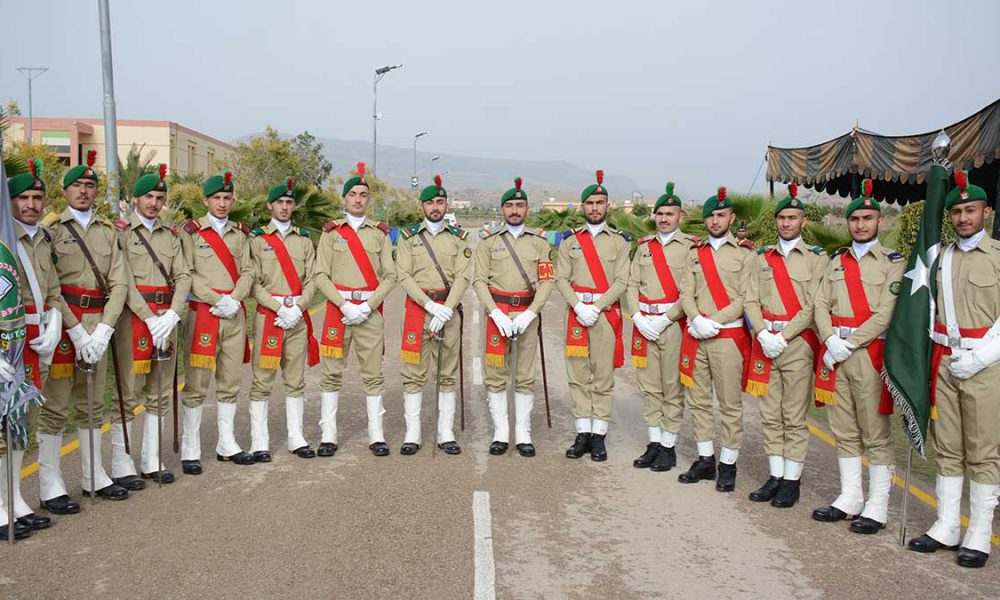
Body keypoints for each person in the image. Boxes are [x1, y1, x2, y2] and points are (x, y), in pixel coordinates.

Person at [907, 171, 999, 568]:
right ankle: (946, 524)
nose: (963, 217)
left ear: (986, 212)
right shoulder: (939, 257)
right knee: (948, 448)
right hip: (944, 361)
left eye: (971, 210)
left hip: (985, 362)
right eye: (957, 211)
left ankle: (978, 533)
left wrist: (981, 357)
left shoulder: (997, 257)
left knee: (983, 452)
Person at [811, 178, 904, 535]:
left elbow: (886, 312)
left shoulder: (893, 262)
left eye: (867, 218)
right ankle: (850, 496)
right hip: (835, 351)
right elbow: (820, 303)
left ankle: (877, 506)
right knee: (844, 429)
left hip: (868, 353)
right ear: (847, 223)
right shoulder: (836, 260)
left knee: (875, 432)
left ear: (879, 221)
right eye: (855, 219)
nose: (860, 225)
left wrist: (849, 343)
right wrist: (831, 340)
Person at [41, 150, 130, 506]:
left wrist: (104, 329)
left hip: (98, 324)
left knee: (93, 403)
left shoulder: (108, 232)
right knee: (56, 404)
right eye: (76, 185)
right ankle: (50, 484)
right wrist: (76, 331)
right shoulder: (51, 231)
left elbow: (119, 282)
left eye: (90, 186)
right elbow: (50, 286)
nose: (83, 191)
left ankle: (95, 475)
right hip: (64, 325)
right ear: (64, 191)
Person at [743, 183, 826, 507]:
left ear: (803, 221)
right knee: (769, 414)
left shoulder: (817, 259)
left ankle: (792, 480)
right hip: (765, 342)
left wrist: (784, 336)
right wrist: (762, 333)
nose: (787, 223)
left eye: (793, 217)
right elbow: (750, 298)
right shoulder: (761, 257)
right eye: (782, 218)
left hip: (796, 345)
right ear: (775, 221)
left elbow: (813, 305)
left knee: (793, 415)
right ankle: (775, 475)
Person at [110, 165, 190, 488]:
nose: (154, 203)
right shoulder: (121, 232)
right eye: (148, 197)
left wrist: (172, 314)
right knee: (128, 391)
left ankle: (150, 459)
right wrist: (149, 317)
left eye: (159, 197)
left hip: (165, 317)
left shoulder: (171, 235)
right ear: (134, 199)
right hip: (134, 318)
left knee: (159, 390)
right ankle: (121, 462)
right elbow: (122, 279)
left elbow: (183, 275)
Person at [313, 163, 395, 457]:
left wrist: (368, 306)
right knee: (331, 374)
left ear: (368, 200)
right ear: (344, 199)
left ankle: (376, 435)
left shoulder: (379, 234)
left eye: (363, 194)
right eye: (353, 194)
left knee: (373, 374)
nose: (358, 199)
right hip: (339, 311)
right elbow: (320, 274)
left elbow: (390, 275)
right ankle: (328, 436)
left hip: (369, 313)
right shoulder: (331, 233)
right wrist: (345, 304)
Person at [677, 186, 755, 491]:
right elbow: (686, 291)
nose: (715, 221)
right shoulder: (695, 252)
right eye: (710, 216)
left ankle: (729, 463)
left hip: (728, 336)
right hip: (697, 333)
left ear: (732, 218)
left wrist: (714, 321)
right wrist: (696, 318)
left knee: (729, 403)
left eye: (721, 215)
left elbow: (745, 296)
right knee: (698, 400)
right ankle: (706, 459)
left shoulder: (745, 254)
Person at [0, 159, 63, 533]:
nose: (31, 204)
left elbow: (52, 289)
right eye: (22, 197)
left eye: (38, 197)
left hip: (33, 342)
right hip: (6, 342)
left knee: (21, 422)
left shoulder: (43, 238)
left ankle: (15, 497)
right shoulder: (4, 240)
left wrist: (54, 320)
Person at [179, 172, 256, 474]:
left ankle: (227, 443)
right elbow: (186, 272)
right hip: (204, 314)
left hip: (234, 314)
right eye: (217, 198)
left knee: (230, 381)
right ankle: (190, 447)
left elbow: (248, 270)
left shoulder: (240, 233)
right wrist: (216, 300)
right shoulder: (192, 232)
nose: (222, 203)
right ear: (206, 200)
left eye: (227, 198)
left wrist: (235, 299)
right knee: (197, 383)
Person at [473, 177, 554, 456]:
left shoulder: (540, 243)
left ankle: (523, 432)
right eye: (510, 205)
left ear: (527, 208)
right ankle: (501, 432)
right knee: (496, 375)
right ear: (502, 209)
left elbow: (547, 281)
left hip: (527, 315)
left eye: (520, 205)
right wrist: (494, 313)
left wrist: (531, 313)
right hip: (498, 313)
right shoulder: (489, 242)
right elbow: (479, 281)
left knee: (524, 374)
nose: (515, 210)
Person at [555, 170, 630, 462]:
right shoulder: (569, 241)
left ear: (607, 206)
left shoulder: (620, 242)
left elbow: (623, 281)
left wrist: (596, 307)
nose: (595, 208)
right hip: (576, 315)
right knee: (577, 377)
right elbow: (561, 278)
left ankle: (599, 436)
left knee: (602, 377)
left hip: (604, 315)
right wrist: (578, 306)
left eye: (600, 202)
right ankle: (582, 433)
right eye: (590, 203)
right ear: (582, 206)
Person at [396, 175, 471, 456]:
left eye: (440, 202)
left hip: (448, 311)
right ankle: (412, 433)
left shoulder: (458, 239)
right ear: (422, 206)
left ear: (446, 204)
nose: (435, 207)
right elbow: (403, 274)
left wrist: (447, 308)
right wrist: (429, 305)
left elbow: (464, 276)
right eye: (430, 202)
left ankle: (445, 432)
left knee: (447, 373)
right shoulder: (408, 238)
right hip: (418, 311)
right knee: (413, 373)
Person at [247, 177, 319, 460]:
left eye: (289, 202)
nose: (285, 207)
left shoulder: (303, 239)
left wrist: (298, 307)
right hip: (269, 318)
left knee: (296, 378)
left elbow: (313, 278)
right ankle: (259, 441)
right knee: (262, 379)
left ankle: (296, 437)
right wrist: (278, 308)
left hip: (297, 319)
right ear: (270, 205)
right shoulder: (258, 239)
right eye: (280, 202)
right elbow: (252, 281)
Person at [626, 182, 694, 472]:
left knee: (672, 387)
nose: (664, 218)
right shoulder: (644, 248)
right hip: (645, 325)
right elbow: (631, 285)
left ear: (680, 216)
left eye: (670, 213)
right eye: (660, 213)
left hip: (672, 325)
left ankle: (669, 446)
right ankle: (654, 442)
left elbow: (691, 290)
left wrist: (665, 318)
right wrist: (638, 317)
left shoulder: (690, 247)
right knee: (649, 387)